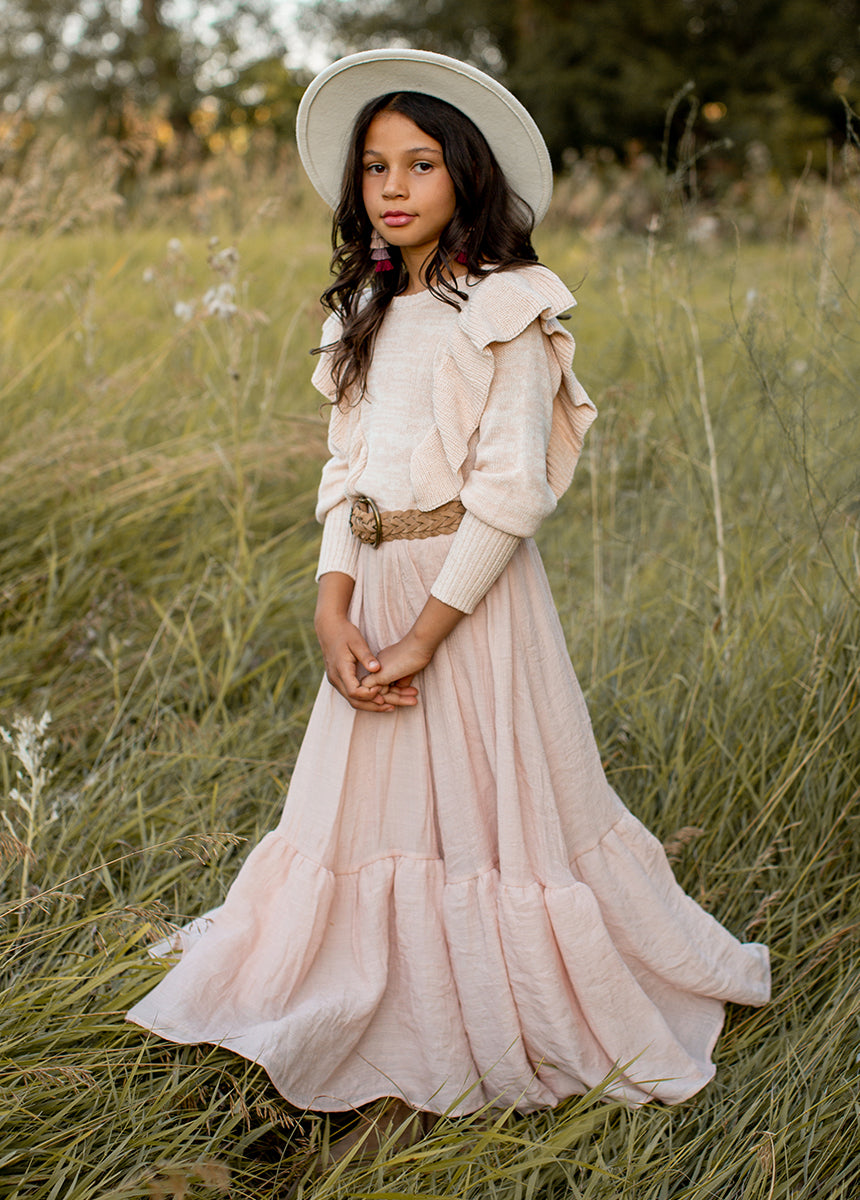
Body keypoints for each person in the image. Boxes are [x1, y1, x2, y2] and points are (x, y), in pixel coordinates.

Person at [127, 49, 770, 1122]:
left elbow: (511, 494)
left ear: (465, 177)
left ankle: (505, 996)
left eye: (418, 164)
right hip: (373, 581)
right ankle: (366, 982)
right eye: (374, 166)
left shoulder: (504, 309)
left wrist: (426, 634)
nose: (390, 187)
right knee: (364, 805)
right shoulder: (362, 310)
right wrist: (332, 601)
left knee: (490, 808)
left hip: (465, 600)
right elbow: (348, 474)